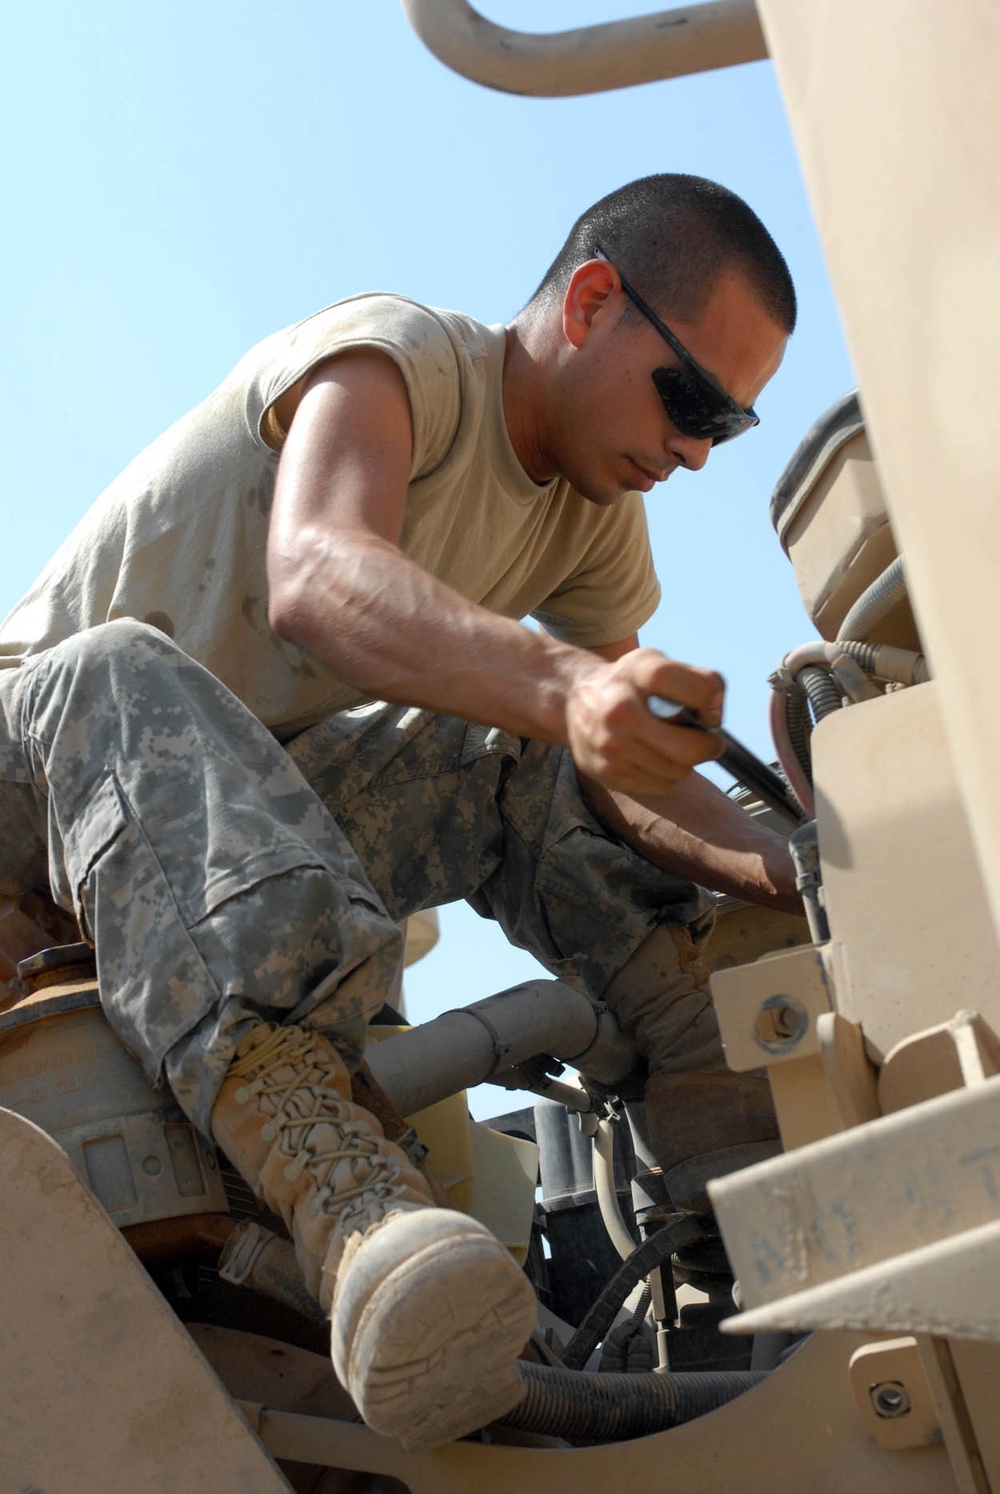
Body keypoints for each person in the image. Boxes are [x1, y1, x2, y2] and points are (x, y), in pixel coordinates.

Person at [0, 173, 798, 1448]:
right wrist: (568, 687)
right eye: (691, 399)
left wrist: (800, 872)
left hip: (205, 832)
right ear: (592, 303)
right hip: (31, 786)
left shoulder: (597, 524)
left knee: (537, 768)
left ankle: (744, 1255)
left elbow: (621, 766)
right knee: (121, 664)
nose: (696, 449)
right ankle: (351, 1209)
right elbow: (320, 574)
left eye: (731, 427)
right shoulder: (401, 357)